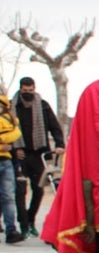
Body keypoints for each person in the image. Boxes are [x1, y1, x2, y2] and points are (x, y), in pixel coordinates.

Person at [11, 77, 64, 238]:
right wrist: (14, 150)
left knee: (39, 190)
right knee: (20, 191)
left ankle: (31, 219)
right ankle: (24, 224)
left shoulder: (43, 106)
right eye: (25, 91)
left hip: (38, 155)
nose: (28, 93)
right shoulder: (12, 107)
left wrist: (59, 144)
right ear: (20, 90)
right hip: (19, 154)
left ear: (35, 89)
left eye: (30, 90)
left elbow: (55, 127)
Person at [0, 95, 21, 244]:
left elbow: (16, 133)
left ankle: (11, 230)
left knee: (8, 196)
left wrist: (4, 140)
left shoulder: (9, 119)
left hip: (6, 160)